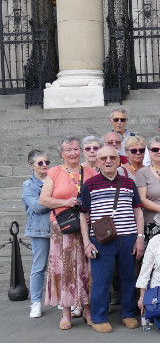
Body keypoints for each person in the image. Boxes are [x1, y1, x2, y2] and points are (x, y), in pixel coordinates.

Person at [79, 146, 146, 333]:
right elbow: (83, 216)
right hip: (101, 240)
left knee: (128, 277)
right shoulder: (89, 185)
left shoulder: (128, 182)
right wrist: (87, 242)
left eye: (112, 157)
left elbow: (138, 211)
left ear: (118, 160)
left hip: (128, 238)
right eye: (104, 158)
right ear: (98, 161)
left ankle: (128, 314)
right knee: (101, 279)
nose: (108, 161)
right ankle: (99, 317)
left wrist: (140, 237)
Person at [38, 136, 97, 330]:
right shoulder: (54, 172)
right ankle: (66, 312)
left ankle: (88, 310)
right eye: (68, 150)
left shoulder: (89, 171)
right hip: (62, 228)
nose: (73, 153)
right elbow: (44, 200)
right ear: (61, 153)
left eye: (75, 149)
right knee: (66, 269)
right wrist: (65, 202)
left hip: (86, 227)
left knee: (86, 268)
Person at [22, 150, 51, 319]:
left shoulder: (53, 179)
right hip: (39, 230)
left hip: (57, 227)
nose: (44, 165)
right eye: (40, 163)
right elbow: (37, 206)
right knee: (39, 267)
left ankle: (62, 299)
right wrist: (55, 201)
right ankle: (36, 302)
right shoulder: (28, 185)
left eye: (46, 161)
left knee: (59, 265)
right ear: (31, 166)